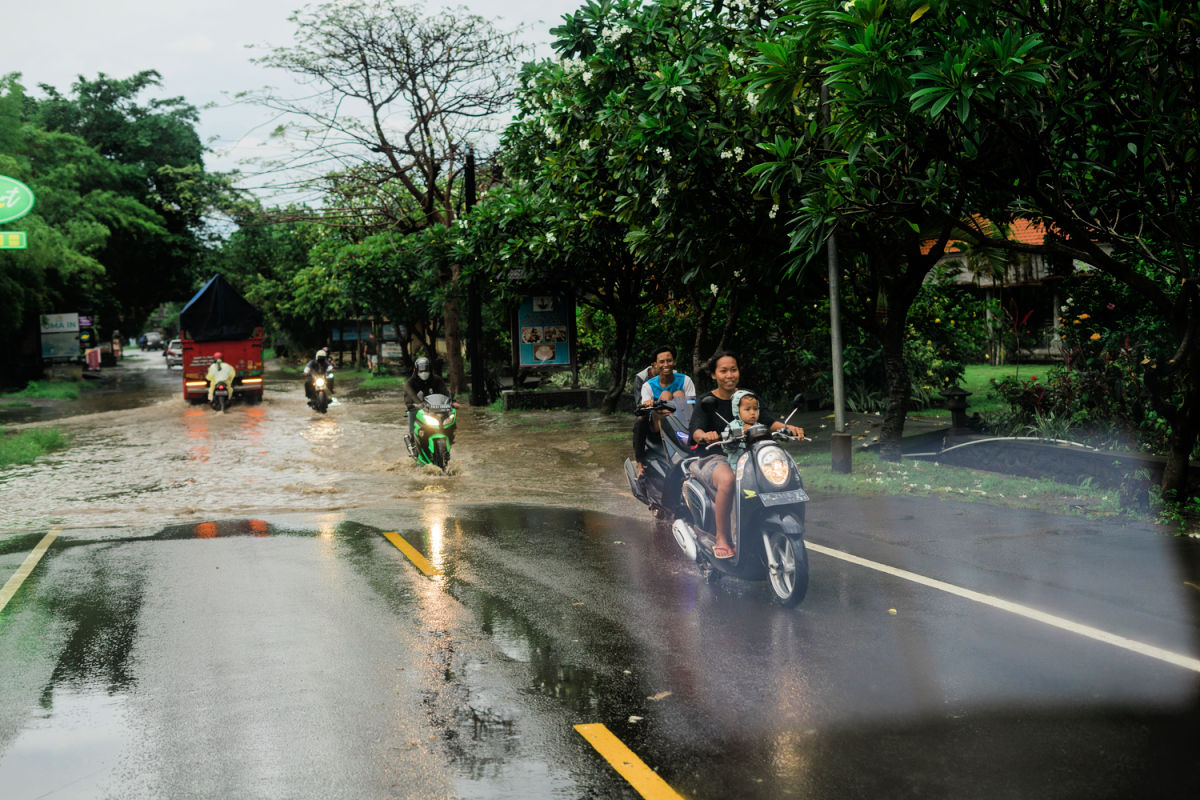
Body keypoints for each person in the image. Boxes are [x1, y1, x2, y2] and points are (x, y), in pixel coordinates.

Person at [690, 352, 804, 559]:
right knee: (728, 480)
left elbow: (770, 421)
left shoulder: (748, 397)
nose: (729, 375)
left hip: (751, 455)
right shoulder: (707, 401)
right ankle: (722, 537)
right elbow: (695, 431)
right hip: (717, 457)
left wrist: (789, 428)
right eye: (723, 371)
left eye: (733, 369)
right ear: (714, 375)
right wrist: (706, 435)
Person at [634, 346, 696, 478]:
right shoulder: (648, 386)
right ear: (655, 365)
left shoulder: (686, 380)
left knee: (679, 393)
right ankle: (640, 463)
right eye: (662, 362)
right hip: (658, 424)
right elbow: (644, 407)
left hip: (682, 423)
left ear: (674, 362)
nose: (666, 365)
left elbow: (692, 404)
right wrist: (649, 403)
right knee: (666, 395)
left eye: (669, 361)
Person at [404, 356, 460, 450]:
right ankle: (414, 441)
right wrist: (412, 405)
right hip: (418, 407)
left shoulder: (436, 380)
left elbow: (445, 392)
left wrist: (452, 402)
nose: (424, 373)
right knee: (412, 415)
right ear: (416, 371)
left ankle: (449, 437)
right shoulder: (410, 382)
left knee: (450, 418)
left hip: (435, 406)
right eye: (421, 371)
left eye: (426, 370)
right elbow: (410, 395)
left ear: (430, 370)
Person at [724, 389, 760, 468]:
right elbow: (726, 447)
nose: (752, 412)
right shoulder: (733, 427)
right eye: (747, 409)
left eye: (755, 409)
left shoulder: (759, 426)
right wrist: (741, 434)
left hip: (758, 463)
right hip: (738, 466)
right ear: (737, 411)